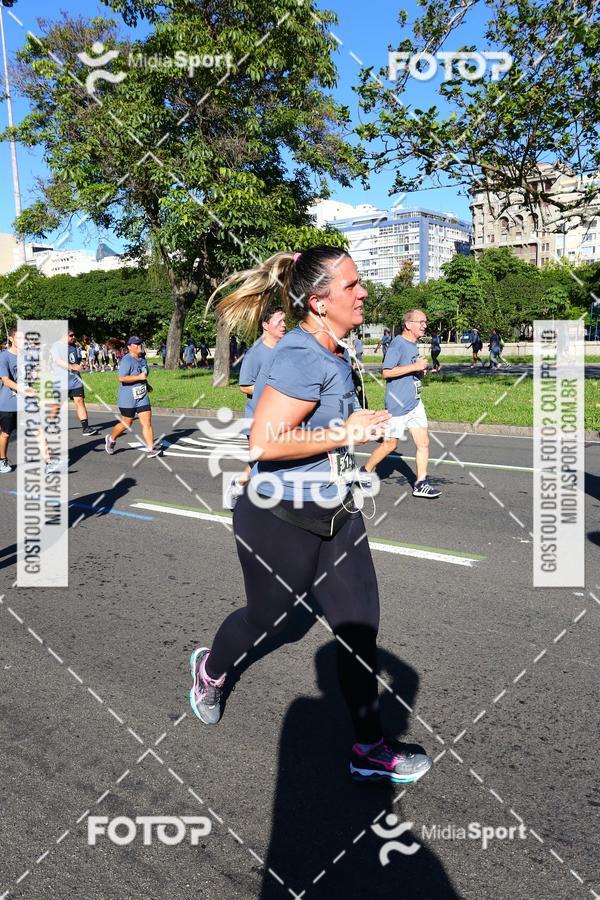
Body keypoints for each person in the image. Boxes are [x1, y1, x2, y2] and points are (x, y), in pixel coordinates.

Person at [189, 246, 433, 785]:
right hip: (278, 518)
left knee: (359, 628)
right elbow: (262, 443)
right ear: (320, 302)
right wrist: (344, 433)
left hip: (337, 512)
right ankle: (212, 671)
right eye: (352, 286)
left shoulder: (334, 349)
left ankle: (368, 747)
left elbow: (324, 424)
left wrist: (356, 423)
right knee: (267, 620)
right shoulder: (302, 354)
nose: (363, 292)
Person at [360, 309, 441, 499]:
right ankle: (365, 470)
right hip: (398, 406)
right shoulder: (397, 344)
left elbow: (406, 370)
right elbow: (387, 372)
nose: (424, 325)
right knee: (389, 445)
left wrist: (419, 373)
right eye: (420, 322)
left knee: (423, 443)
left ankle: (421, 483)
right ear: (408, 324)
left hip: (414, 403)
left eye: (425, 322)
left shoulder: (413, 345)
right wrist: (415, 367)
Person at [229, 304, 286, 503]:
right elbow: (245, 386)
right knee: (263, 457)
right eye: (278, 322)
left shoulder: (283, 348)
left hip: (280, 416)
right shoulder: (255, 353)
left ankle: (243, 485)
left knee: (267, 457)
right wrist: (272, 391)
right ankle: (242, 488)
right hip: (258, 418)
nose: (283, 325)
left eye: (284, 321)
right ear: (265, 325)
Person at [105, 336, 161, 458]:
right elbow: (122, 378)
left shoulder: (142, 360)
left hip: (142, 397)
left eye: (140, 343)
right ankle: (111, 439)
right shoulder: (126, 360)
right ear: (130, 347)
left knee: (146, 422)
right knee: (127, 423)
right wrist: (139, 378)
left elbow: (143, 375)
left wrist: (146, 385)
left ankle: (150, 449)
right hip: (127, 398)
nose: (140, 345)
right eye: (136, 344)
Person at [0, 327, 37, 473]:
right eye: (19, 338)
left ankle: (49, 461)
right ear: (11, 339)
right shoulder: (3, 356)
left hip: (26, 401)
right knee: (6, 434)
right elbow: (6, 381)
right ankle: (2, 460)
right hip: (8, 403)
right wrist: (23, 389)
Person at [50, 330, 99, 435]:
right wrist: (72, 367)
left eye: (74, 335)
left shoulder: (74, 346)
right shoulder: (56, 346)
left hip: (75, 380)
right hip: (61, 381)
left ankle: (86, 428)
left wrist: (81, 365)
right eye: (71, 335)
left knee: (80, 401)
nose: (73, 337)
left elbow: (77, 361)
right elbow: (57, 360)